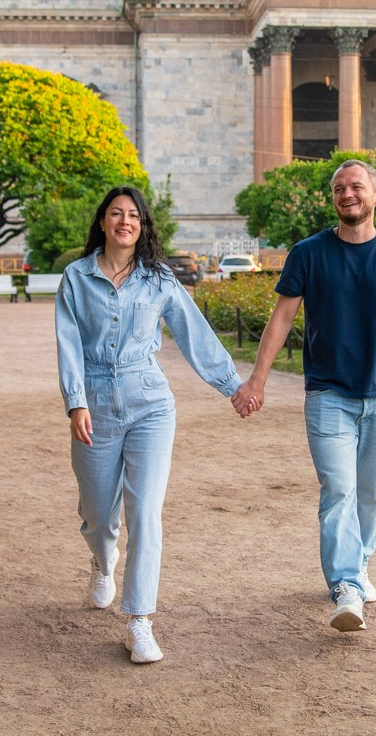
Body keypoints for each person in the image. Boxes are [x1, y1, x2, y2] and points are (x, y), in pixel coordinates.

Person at [56, 186, 256, 664]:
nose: (125, 222)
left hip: (150, 402)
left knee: (145, 512)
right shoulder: (76, 278)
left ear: (143, 226)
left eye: (134, 216)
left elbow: (194, 334)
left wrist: (232, 385)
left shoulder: (159, 279)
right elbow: (67, 343)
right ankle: (103, 562)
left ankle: (140, 621)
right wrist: (76, 402)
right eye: (116, 214)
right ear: (102, 222)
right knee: (100, 514)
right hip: (96, 404)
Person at [231, 160, 376, 632]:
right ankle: (346, 586)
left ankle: (359, 566)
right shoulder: (309, 253)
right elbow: (281, 319)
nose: (347, 194)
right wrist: (257, 380)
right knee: (338, 489)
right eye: (340, 188)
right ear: (333, 198)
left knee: (371, 493)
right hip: (327, 394)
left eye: (357, 187)